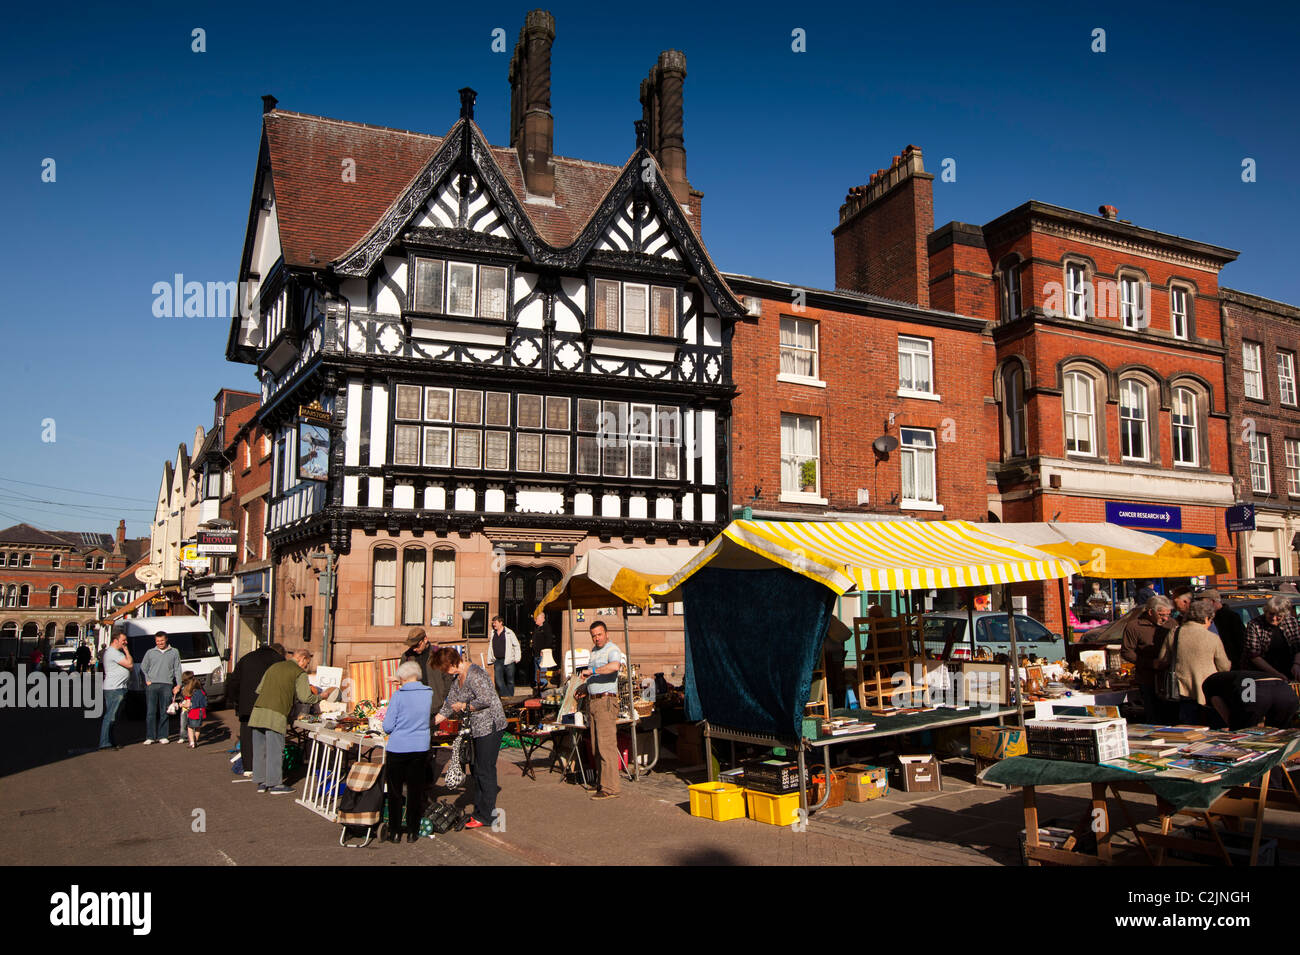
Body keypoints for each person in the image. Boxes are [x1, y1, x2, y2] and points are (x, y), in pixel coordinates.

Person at [432, 646, 506, 829]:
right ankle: (480, 811)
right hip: (476, 728)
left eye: (444, 668)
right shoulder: (457, 679)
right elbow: (449, 705)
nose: (444, 672)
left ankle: (488, 816)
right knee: (476, 769)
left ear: (451, 664)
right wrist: (432, 722)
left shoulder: (475, 673)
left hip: (491, 726)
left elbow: (486, 699)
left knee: (485, 769)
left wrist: (464, 706)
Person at [248, 649, 322, 794]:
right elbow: (306, 697)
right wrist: (321, 697)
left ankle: (262, 781)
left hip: (258, 710)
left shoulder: (274, 666)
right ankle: (275, 784)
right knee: (275, 749)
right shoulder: (299, 673)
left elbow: (259, 689)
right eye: (306, 664)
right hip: (276, 712)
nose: (305, 667)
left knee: (260, 749)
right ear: (302, 659)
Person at [383, 661, 434, 843]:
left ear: (402, 678)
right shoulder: (428, 693)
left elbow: (388, 726)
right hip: (420, 747)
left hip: (398, 747)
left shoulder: (398, 696)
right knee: (415, 790)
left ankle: (395, 831)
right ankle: (413, 830)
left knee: (395, 791)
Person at [1156, 598, 1230, 724]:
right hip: (1208, 692)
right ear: (1206, 618)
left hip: (1181, 690)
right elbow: (1224, 667)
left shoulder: (1175, 632)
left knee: (1188, 730)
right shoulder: (1212, 638)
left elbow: (1162, 660)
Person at [226, 642, 286, 777]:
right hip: (270, 705)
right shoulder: (278, 660)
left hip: (246, 704)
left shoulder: (246, 658)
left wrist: (236, 701)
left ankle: (249, 767)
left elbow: (233, 682)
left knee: (247, 734)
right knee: (269, 735)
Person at [580, 620, 624, 800]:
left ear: (606, 633)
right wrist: (583, 688)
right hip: (594, 701)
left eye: (599, 634)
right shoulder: (594, 651)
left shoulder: (612, 649)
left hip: (606, 701)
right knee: (597, 746)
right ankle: (601, 783)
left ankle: (611, 788)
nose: (597, 638)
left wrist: (592, 672)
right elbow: (593, 675)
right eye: (594, 635)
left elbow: (615, 666)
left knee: (606, 745)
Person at [1121, 595, 1173, 724]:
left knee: (1171, 716)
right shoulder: (1134, 626)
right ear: (1150, 612)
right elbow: (1127, 652)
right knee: (1153, 716)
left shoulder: (1172, 624)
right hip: (1148, 679)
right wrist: (1150, 663)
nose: (1165, 618)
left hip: (1169, 679)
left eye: (1168, 614)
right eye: (1161, 615)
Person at [1202, 670, 1300, 731]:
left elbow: (1217, 702)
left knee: (1243, 737)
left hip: (1252, 687)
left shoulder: (1209, 683)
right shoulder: (1231, 677)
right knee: (1278, 736)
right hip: (1285, 690)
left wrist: (1234, 728)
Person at [1242, 596, 1300, 682]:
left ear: (1284, 615)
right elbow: (1254, 656)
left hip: (1289, 673)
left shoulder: (1291, 621)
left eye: (1278, 616)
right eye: (1271, 614)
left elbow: (1297, 646)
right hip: (1263, 675)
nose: (1274, 618)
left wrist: (1297, 664)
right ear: (1265, 611)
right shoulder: (1254, 625)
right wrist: (1276, 674)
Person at [140, 632, 183, 744]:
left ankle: (163, 736)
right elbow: (143, 667)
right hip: (152, 685)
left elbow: (177, 669)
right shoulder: (150, 652)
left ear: (166, 639)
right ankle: (150, 737)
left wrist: (178, 685)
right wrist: (147, 680)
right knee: (151, 712)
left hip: (167, 685)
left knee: (165, 711)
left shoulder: (174, 652)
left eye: (162, 641)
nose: (160, 643)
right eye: (158, 641)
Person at [98, 628, 133, 751]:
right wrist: (126, 651)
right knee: (110, 716)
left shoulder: (117, 652)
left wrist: (125, 651)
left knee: (114, 717)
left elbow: (130, 665)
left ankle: (110, 741)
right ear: (115, 640)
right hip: (114, 688)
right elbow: (130, 664)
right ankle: (104, 743)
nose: (125, 642)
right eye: (123, 640)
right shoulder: (113, 652)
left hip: (119, 687)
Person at [1202, 590, 1246, 667]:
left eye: (1203, 603)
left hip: (1231, 662)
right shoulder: (1208, 617)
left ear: (1212, 601)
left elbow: (1240, 641)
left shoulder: (1231, 617)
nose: (1202, 606)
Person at [486, 615, 521, 697]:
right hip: (497, 660)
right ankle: (506, 697)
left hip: (509, 660)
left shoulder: (509, 632)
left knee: (510, 681)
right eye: (493, 623)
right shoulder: (493, 633)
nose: (494, 625)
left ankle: (509, 698)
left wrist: (517, 657)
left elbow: (516, 645)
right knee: (498, 680)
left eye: (495, 623)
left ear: (501, 623)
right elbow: (491, 646)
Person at [180, 671, 208, 749]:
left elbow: (188, 704)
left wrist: (181, 705)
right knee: (198, 727)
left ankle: (192, 742)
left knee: (190, 727)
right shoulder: (201, 691)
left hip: (194, 711)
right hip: (202, 711)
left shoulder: (190, 692)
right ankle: (196, 739)